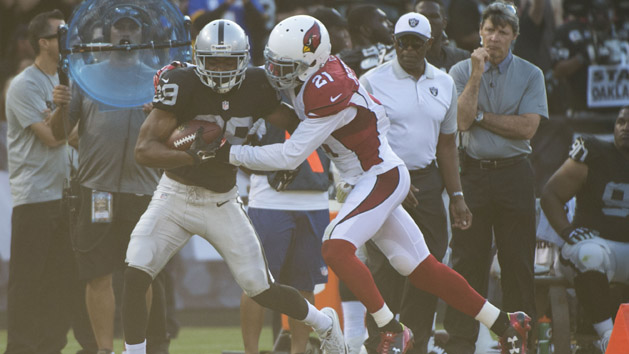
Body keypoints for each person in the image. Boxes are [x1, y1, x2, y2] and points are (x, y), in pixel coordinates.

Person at [215, 14, 532, 354]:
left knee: (335, 247)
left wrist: (230, 153)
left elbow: (291, 155)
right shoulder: (317, 73)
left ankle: (391, 328)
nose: (277, 72)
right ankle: (505, 322)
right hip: (371, 176)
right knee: (423, 269)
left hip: (377, 175)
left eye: (286, 65)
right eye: (275, 63)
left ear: (311, 62)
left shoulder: (327, 89)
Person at [122, 19, 346, 354]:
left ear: (244, 59)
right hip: (175, 194)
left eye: (229, 61)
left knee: (260, 287)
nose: (222, 69)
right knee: (136, 270)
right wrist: (193, 158)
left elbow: (299, 124)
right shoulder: (181, 83)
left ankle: (325, 325)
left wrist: (297, 159)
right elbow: (143, 150)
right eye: (213, 61)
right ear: (199, 59)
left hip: (221, 201)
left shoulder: (258, 84)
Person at [49, 5, 170, 354]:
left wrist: (159, 116)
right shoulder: (86, 77)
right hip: (96, 191)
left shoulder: (158, 81)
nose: (126, 33)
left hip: (145, 192)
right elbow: (60, 134)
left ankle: (139, 347)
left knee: (141, 274)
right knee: (98, 273)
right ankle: (103, 349)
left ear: (143, 34)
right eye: (119, 27)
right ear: (108, 33)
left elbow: (177, 133)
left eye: (132, 27)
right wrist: (60, 105)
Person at [359, 12, 472, 354]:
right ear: (393, 43)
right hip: (384, 178)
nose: (407, 49)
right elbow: (363, 141)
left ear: (430, 44)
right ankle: (381, 341)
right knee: (385, 265)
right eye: (401, 42)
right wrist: (392, 179)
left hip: (427, 178)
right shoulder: (372, 81)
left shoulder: (445, 83)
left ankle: (416, 341)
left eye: (415, 43)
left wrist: (457, 195)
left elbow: (447, 144)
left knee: (431, 263)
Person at [443, 2, 548, 353]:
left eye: (504, 32)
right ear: (480, 32)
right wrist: (476, 75)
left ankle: (520, 340)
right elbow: (460, 120)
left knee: (517, 261)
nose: (495, 38)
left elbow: (527, 128)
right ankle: (460, 341)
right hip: (472, 174)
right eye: (490, 30)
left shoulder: (531, 74)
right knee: (467, 261)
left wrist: (483, 117)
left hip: (514, 175)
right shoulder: (460, 70)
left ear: (515, 36)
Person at [4, 9, 80, 354]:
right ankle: (20, 347)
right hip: (34, 196)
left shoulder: (64, 81)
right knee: (28, 280)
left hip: (66, 194)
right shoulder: (23, 86)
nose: (67, 40)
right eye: (60, 35)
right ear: (43, 43)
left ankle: (51, 346)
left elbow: (75, 135)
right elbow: (52, 138)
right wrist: (60, 116)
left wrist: (61, 120)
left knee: (61, 279)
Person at [540, 107, 629, 353]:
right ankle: (609, 338)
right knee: (589, 254)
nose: (625, 128)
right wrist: (566, 230)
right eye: (621, 121)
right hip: (598, 245)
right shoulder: (596, 153)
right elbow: (551, 194)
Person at [240, 120, 332, 354]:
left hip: (315, 197)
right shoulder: (263, 94)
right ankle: (251, 351)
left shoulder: (327, 92)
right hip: (270, 198)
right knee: (256, 283)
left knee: (304, 284)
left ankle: (298, 351)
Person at [339, 4, 395, 78]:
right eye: (383, 20)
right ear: (366, 30)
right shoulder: (390, 53)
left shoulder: (339, 61)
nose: (390, 24)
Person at [414, 0, 470, 72]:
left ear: (444, 23)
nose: (427, 21)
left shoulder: (461, 58)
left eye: (434, 16)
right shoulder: (405, 59)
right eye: (422, 16)